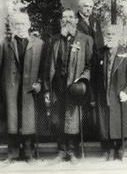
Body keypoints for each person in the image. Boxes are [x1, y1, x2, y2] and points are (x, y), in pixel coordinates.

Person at [44, 8, 94, 163]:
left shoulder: (86, 39)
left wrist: (82, 81)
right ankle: (61, 151)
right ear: (61, 21)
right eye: (64, 17)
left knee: (72, 120)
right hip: (57, 85)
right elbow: (47, 66)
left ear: (76, 20)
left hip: (74, 86)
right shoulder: (53, 40)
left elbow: (90, 65)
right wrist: (47, 88)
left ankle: (72, 151)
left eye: (71, 17)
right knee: (57, 120)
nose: (67, 20)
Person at [0, 13, 43, 163]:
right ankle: (12, 153)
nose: (20, 27)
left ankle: (28, 152)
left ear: (29, 25)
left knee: (28, 121)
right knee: (12, 121)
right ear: (12, 27)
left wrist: (40, 83)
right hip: (11, 89)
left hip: (29, 89)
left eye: (22, 24)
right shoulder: (5, 43)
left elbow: (43, 67)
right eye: (16, 24)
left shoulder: (39, 44)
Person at [92, 25, 127, 161]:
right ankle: (109, 148)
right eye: (108, 34)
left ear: (119, 36)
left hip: (120, 93)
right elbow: (94, 77)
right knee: (105, 122)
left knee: (121, 121)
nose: (110, 37)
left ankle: (123, 148)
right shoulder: (99, 53)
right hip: (103, 93)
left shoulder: (126, 53)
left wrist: (126, 92)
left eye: (113, 34)